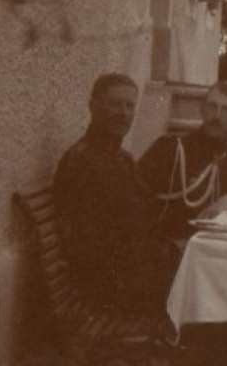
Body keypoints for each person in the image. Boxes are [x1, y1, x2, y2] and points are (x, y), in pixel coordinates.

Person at [52, 73, 170, 314]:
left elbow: (141, 216)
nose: (124, 113)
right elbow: (92, 243)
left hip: (124, 272)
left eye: (129, 106)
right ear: (93, 107)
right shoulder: (84, 162)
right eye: (115, 104)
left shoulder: (121, 159)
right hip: (104, 286)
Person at [137, 80, 227, 241]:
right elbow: (135, 196)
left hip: (217, 251)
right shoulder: (169, 149)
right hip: (166, 248)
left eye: (226, 110)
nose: (216, 116)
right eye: (212, 107)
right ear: (201, 109)